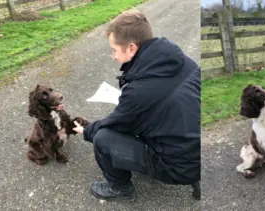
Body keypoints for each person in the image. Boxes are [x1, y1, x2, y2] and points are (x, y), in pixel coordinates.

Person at [71, 10, 200, 200]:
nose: (113, 56)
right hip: (199, 152)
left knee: (102, 137)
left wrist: (88, 130)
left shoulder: (140, 92)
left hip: (177, 167)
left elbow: (115, 123)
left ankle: (120, 190)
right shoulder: (185, 63)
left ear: (131, 48)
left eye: (114, 50)